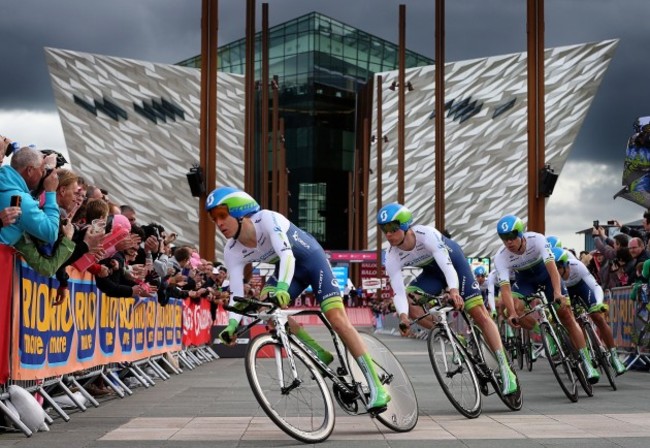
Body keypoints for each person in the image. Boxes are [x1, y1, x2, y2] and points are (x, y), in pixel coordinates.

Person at [206, 186, 390, 412]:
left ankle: (377, 386)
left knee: (337, 319)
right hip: (288, 270)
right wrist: (232, 324)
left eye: (222, 215)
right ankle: (318, 352)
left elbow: (287, 255)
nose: (219, 223)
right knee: (267, 310)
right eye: (214, 218)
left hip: (311, 261)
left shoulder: (267, 219)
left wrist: (282, 287)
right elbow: (236, 293)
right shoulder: (232, 250)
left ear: (240, 212)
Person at [377, 202, 518, 396]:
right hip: (432, 274)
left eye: (392, 228)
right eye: (384, 229)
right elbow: (398, 292)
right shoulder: (392, 255)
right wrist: (402, 317)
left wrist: (454, 291)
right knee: (411, 303)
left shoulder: (426, 235)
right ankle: (453, 336)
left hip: (454, 265)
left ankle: (505, 368)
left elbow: (448, 266)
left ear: (405, 226)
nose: (388, 234)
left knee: (478, 313)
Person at [493, 214, 600, 383]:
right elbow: (505, 289)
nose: (509, 242)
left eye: (512, 236)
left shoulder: (537, 240)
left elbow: (552, 269)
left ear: (521, 234)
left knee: (566, 314)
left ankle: (587, 362)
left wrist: (557, 292)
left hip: (547, 277)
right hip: (525, 282)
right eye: (504, 238)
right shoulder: (501, 256)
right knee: (512, 309)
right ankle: (544, 334)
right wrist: (513, 313)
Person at [551, 247, 627, 375]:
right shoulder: (551, 274)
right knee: (574, 323)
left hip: (581, 288)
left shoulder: (577, 266)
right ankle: (586, 358)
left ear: (566, 265)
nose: (556, 272)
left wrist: (599, 303)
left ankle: (614, 357)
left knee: (597, 317)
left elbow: (595, 285)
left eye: (559, 268)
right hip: (564, 293)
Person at [0, 146, 60, 246]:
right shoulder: (21, 200)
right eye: (42, 170)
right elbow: (51, 233)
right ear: (30, 170)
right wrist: (51, 192)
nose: (43, 175)